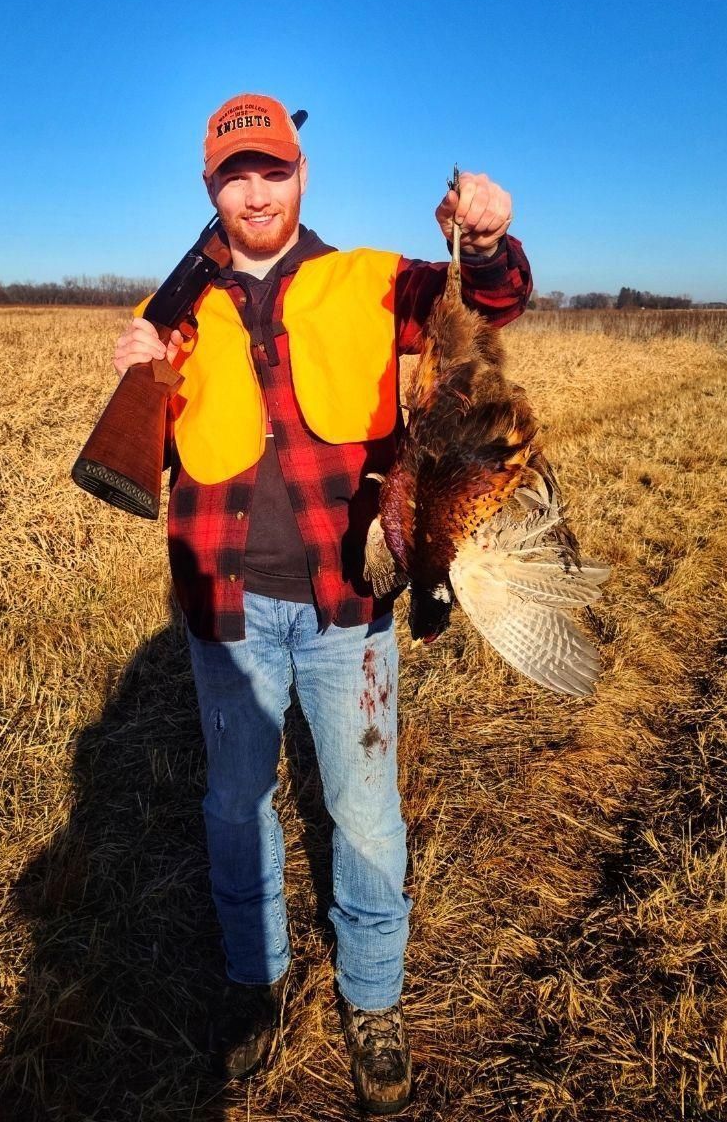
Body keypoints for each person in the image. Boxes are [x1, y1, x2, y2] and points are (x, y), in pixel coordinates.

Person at [113, 93, 532, 1115]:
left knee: (365, 815)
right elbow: (148, 450)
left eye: (274, 170)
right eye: (235, 177)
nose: (257, 193)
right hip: (225, 606)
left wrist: (484, 239)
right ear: (209, 187)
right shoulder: (175, 311)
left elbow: (487, 306)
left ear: (302, 175)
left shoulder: (368, 279)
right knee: (233, 804)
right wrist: (139, 379)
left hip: (351, 601)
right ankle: (254, 986)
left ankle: (373, 998)